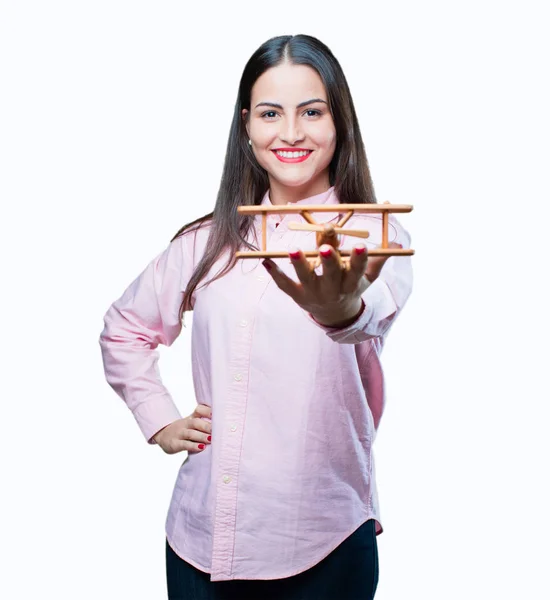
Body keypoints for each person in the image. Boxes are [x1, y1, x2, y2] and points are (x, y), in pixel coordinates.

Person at [99, 33, 413, 600]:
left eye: (311, 112)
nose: (291, 133)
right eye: (271, 113)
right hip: (200, 539)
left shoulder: (375, 236)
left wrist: (340, 309)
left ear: (338, 120)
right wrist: (159, 418)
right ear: (247, 125)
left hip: (327, 543)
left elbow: (371, 311)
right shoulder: (204, 243)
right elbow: (124, 329)